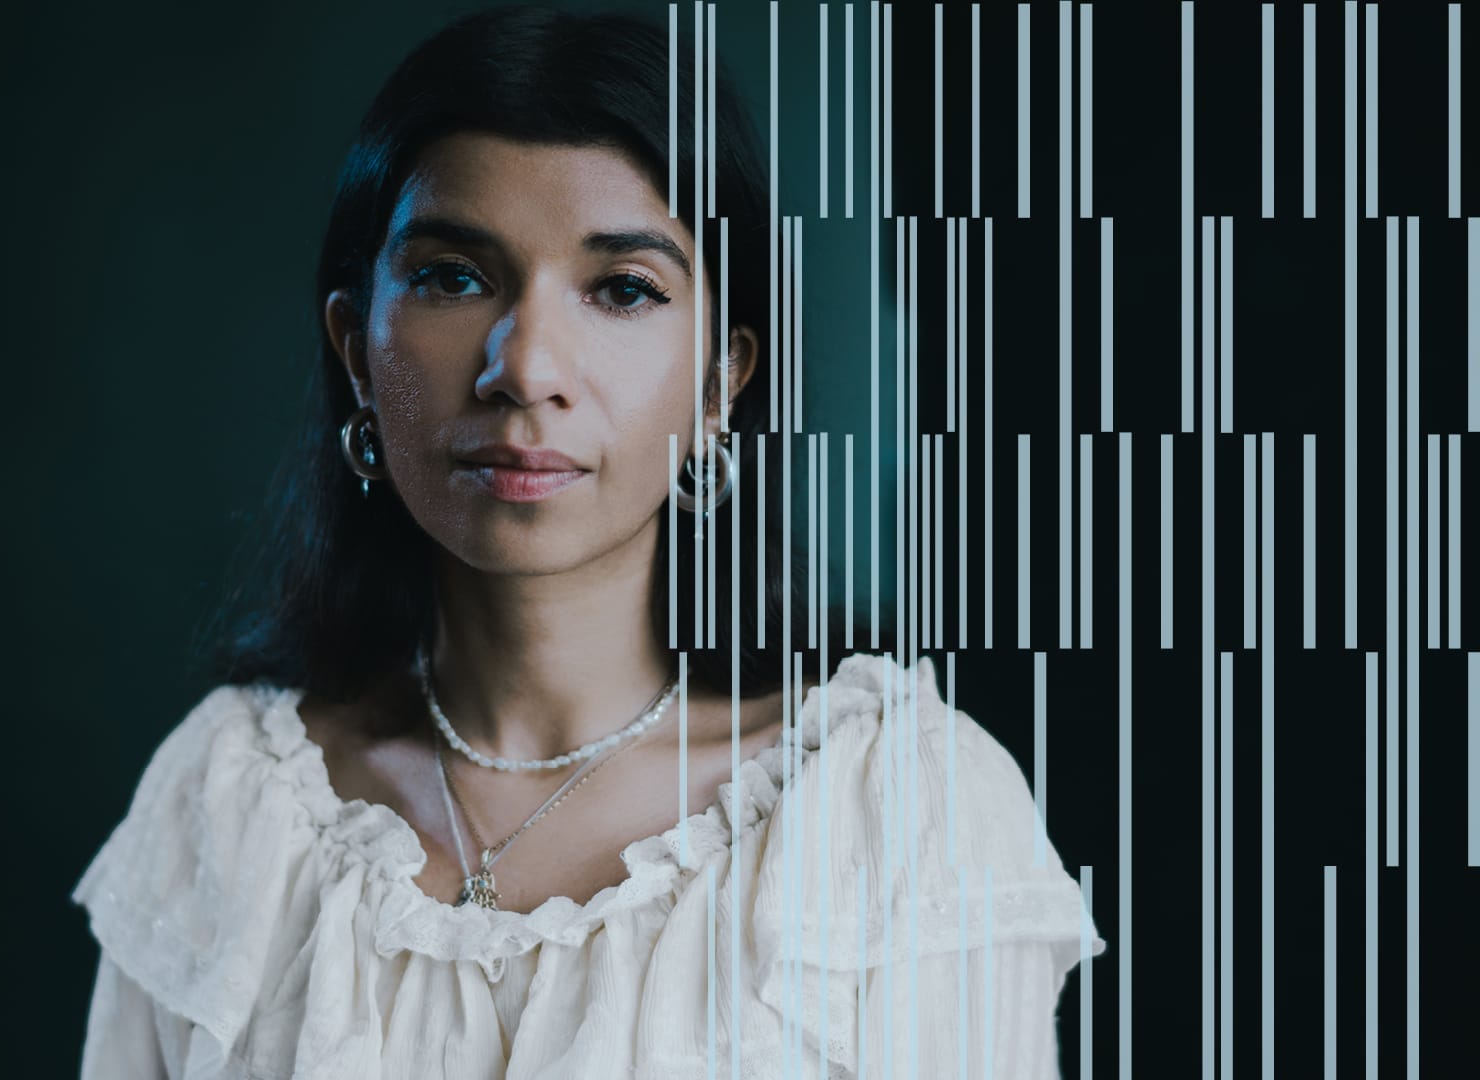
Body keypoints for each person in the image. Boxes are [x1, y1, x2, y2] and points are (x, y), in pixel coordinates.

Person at [72, 6, 1105, 1076]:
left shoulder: (896, 813)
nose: (525, 370)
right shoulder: (232, 804)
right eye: (453, 276)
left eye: (622, 290)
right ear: (354, 349)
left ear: (722, 382)